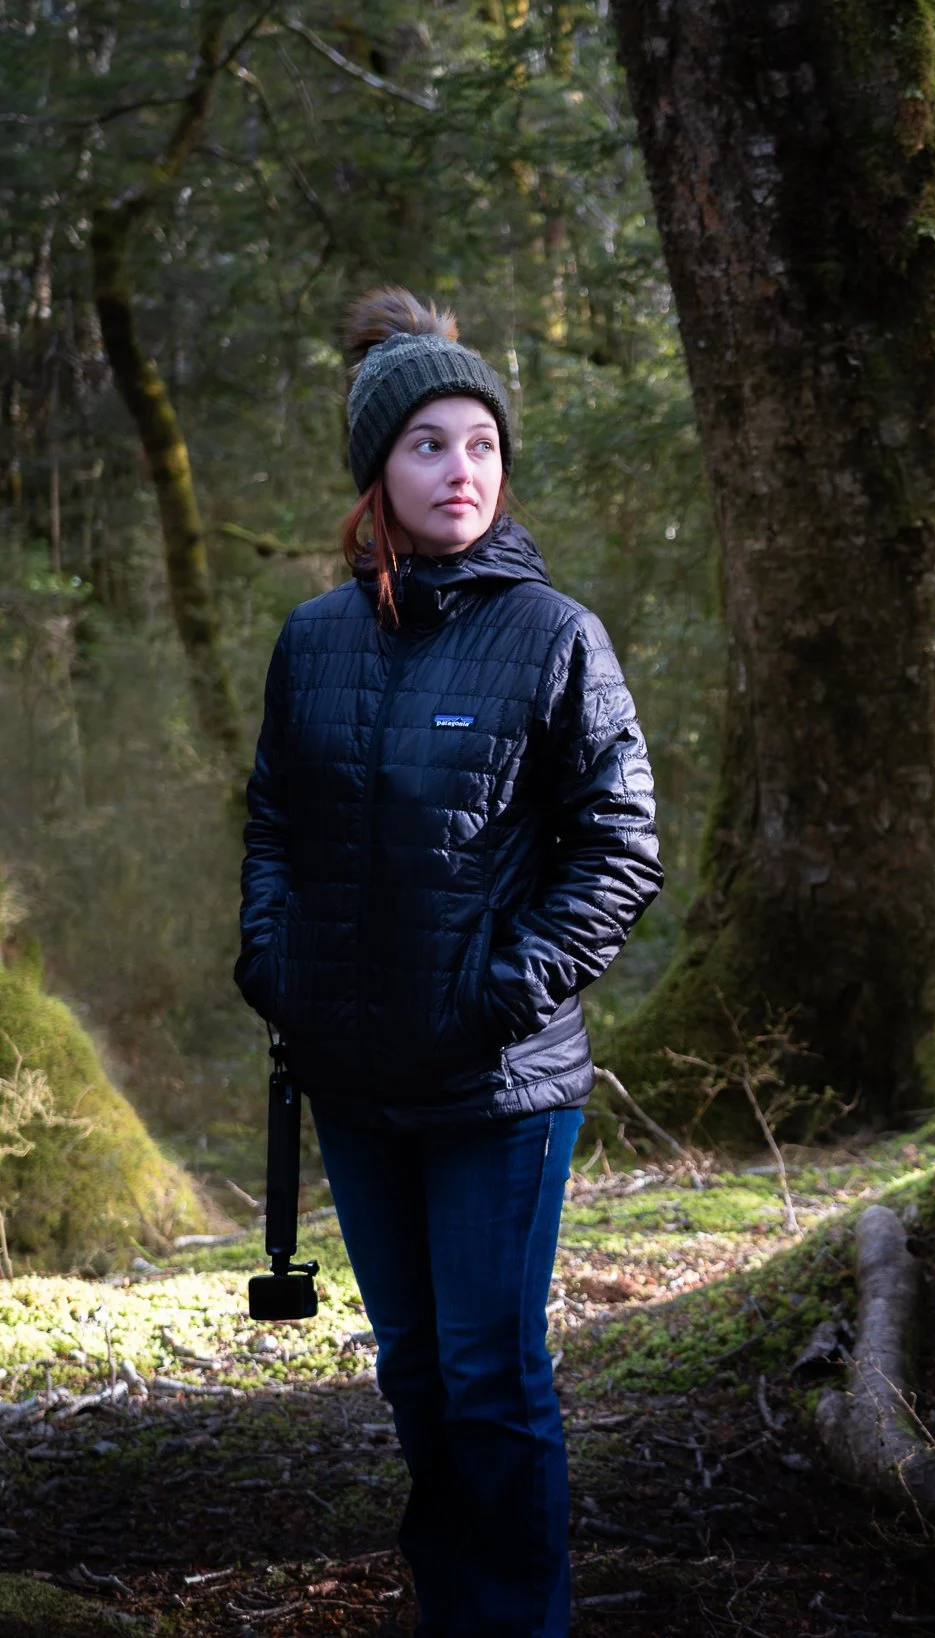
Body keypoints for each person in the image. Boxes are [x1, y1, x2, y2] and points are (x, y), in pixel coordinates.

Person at [235, 287, 663, 1636]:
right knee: (414, 1368)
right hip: (353, 1080)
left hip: (499, 1087)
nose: (461, 469)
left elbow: (621, 844)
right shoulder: (313, 642)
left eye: (481, 443)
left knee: (491, 1373)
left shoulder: (555, 638)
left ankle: (521, 1620)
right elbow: (274, 825)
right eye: (429, 444)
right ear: (378, 473)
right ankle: (451, 1601)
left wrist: (505, 987)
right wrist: (275, 964)